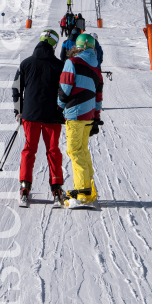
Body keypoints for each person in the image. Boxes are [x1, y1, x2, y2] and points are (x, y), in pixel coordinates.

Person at [12, 30, 65, 205]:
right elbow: (65, 91)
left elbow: (16, 89)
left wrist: (18, 111)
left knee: (29, 149)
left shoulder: (26, 63)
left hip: (30, 114)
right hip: (52, 116)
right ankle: (56, 188)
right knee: (53, 151)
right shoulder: (60, 65)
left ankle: (24, 187)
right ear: (54, 45)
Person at [58, 33, 103, 206]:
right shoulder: (96, 68)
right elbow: (99, 97)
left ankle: (83, 192)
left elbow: (64, 87)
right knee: (83, 150)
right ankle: (88, 188)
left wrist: (59, 107)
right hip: (88, 115)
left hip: (75, 114)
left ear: (77, 46)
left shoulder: (72, 63)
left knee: (75, 151)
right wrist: (96, 117)